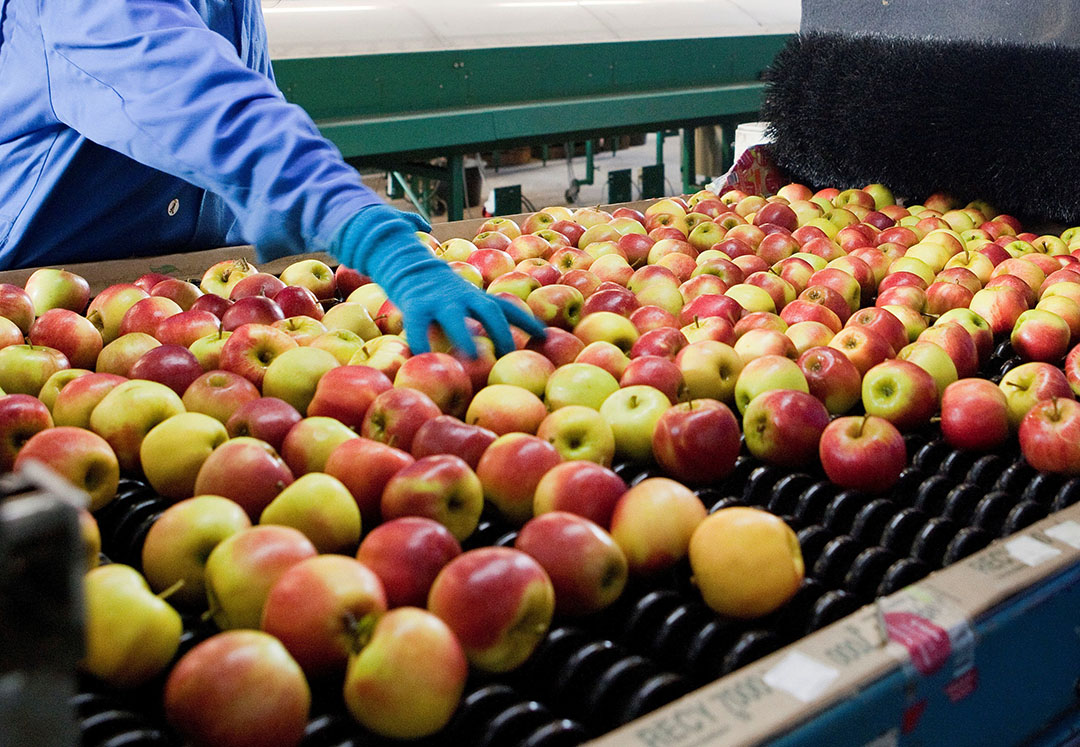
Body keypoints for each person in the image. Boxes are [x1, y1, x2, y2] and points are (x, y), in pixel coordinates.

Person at [0, 0, 544, 356]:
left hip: (189, 302)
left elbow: (254, 107)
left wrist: (318, 224)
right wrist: (365, 229)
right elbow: (202, 103)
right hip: (42, 308)